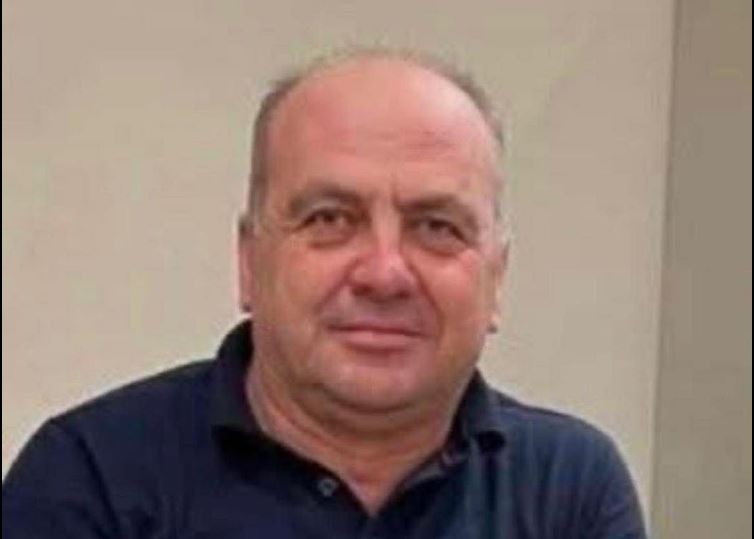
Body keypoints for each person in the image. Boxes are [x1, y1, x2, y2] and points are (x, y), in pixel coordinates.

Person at [3, 48, 647, 538]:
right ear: (249, 261)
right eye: (330, 219)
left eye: (436, 227)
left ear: (496, 278)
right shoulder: (91, 480)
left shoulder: (569, 490)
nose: (385, 274)